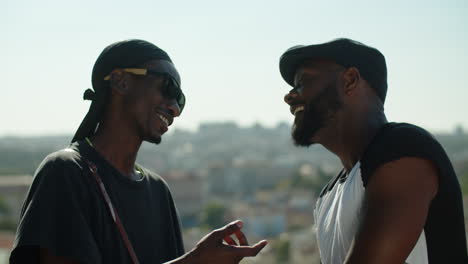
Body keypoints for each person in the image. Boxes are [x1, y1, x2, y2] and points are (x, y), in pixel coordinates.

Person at [10, 39, 267, 264]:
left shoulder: (158, 191)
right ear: (121, 81)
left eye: (181, 100)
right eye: (168, 88)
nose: (175, 108)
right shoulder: (66, 172)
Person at [280, 38, 467, 264]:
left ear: (350, 80)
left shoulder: (402, 148)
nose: (289, 96)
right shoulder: (327, 196)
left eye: (302, 82)